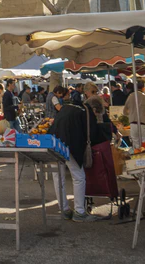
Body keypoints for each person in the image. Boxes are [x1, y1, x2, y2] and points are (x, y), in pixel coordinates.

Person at [49, 86, 103, 222]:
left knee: (58, 176)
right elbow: (92, 133)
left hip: (53, 141)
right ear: (94, 109)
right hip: (70, 144)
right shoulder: (87, 111)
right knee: (79, 177)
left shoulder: (68, 106)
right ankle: (79, 212)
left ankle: (64, 209)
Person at [123, 78, 145, 147]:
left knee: (137, 148)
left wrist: (132, 113)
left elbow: (124, 112)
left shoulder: (130, 96)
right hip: (143, 125)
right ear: (144, 88)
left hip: (133, 126)